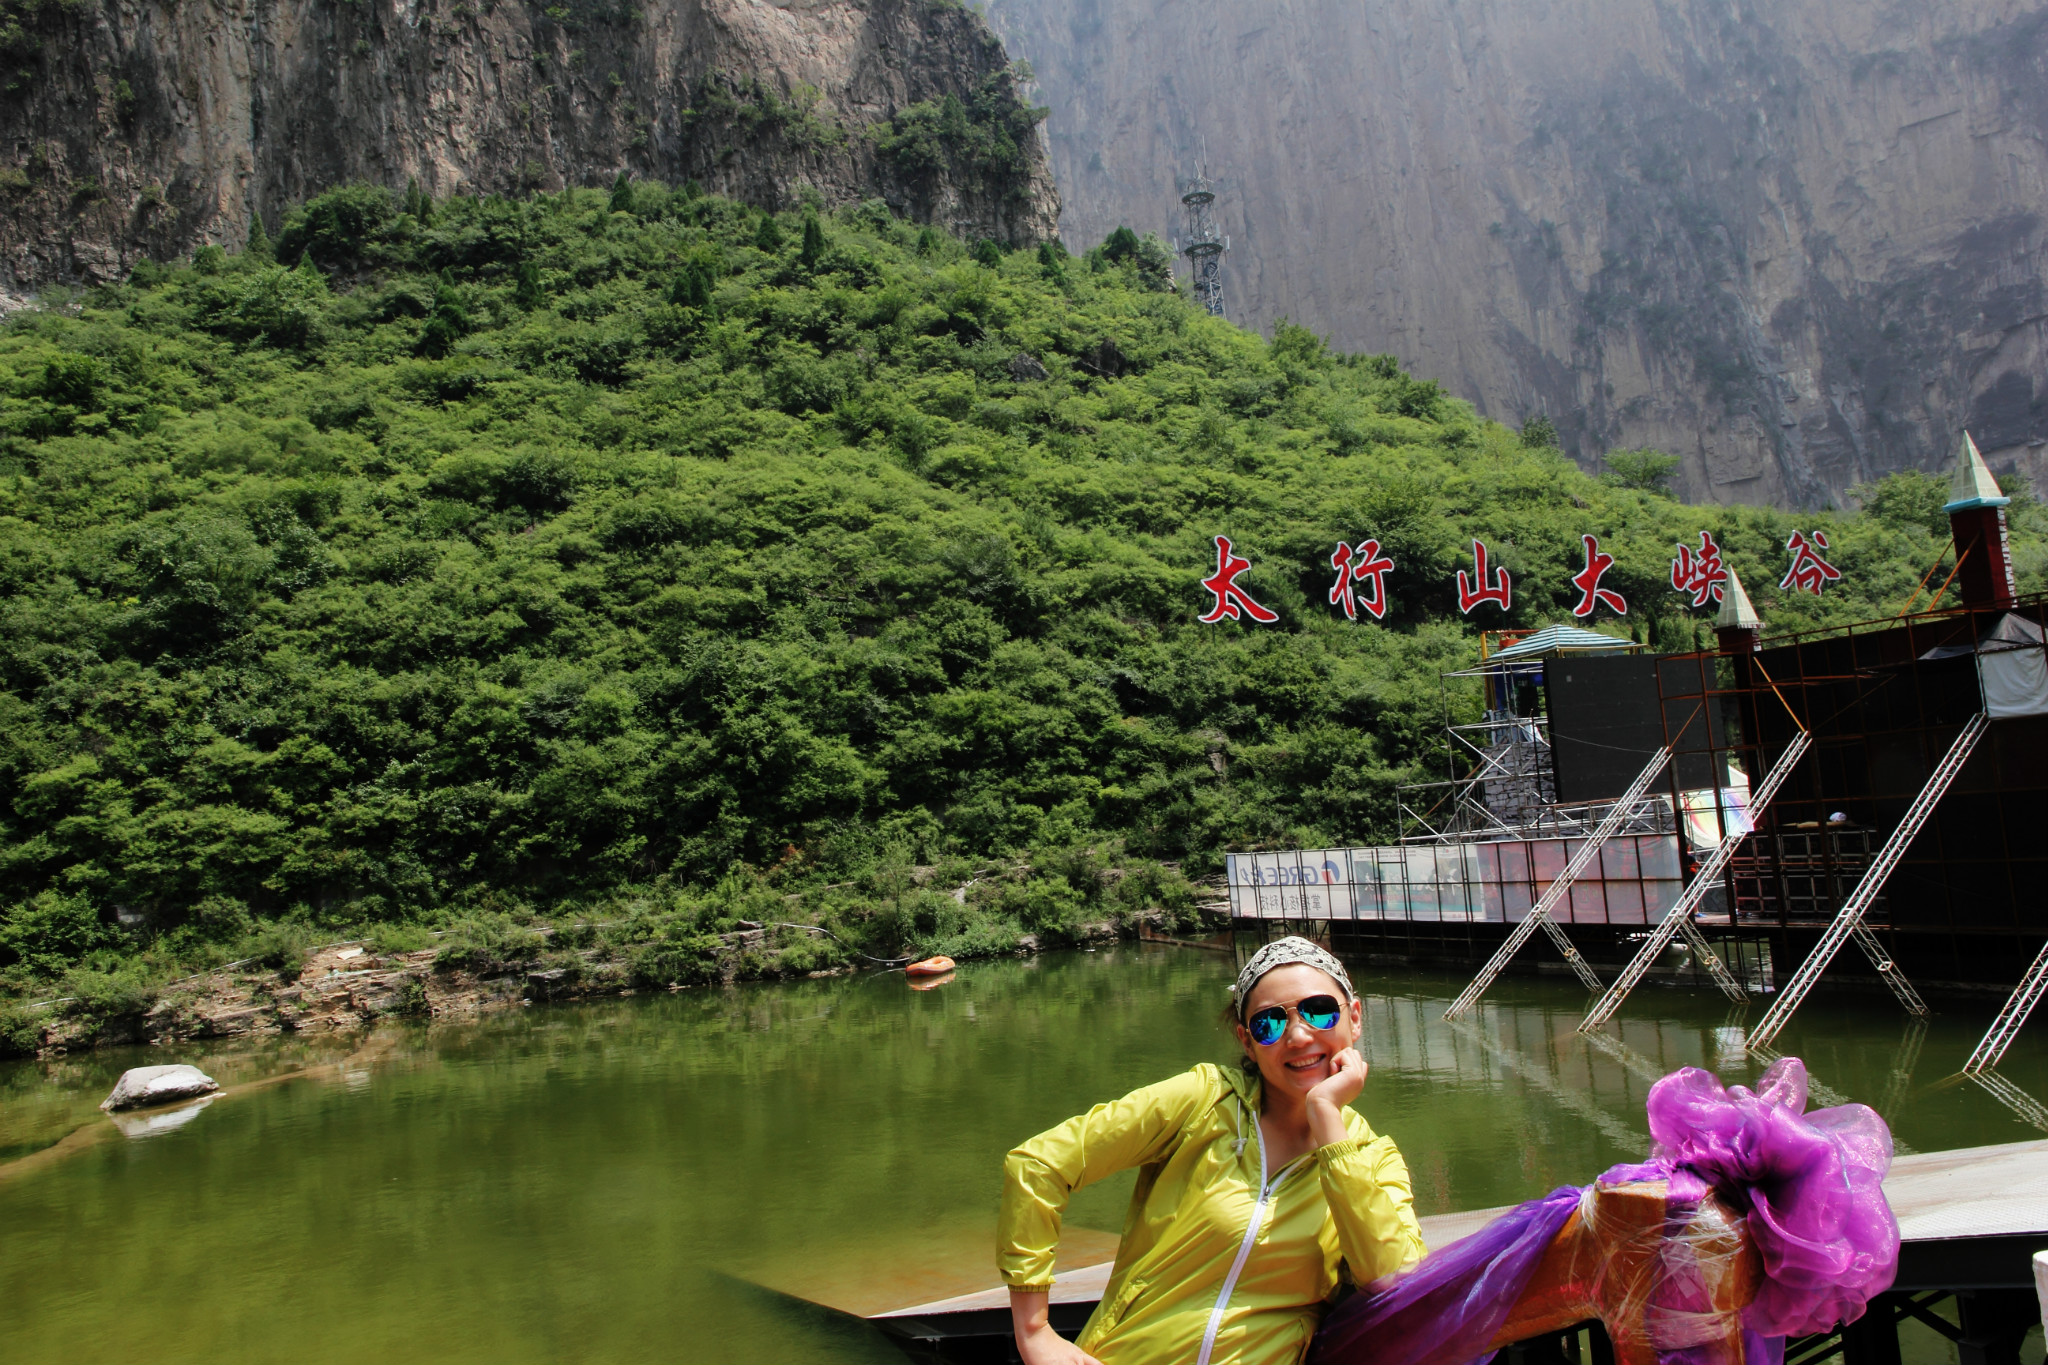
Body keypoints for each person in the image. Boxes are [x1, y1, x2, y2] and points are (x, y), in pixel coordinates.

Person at [998, 937, 1426, 1365]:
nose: (1297, 1035)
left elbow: (1393, 1277)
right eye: (1269, 1024)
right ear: (1247, 1041)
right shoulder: (1204, 1101)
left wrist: (1328, 1120)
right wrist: (1034, 1331)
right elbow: (1039, 1163)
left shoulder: (1370, 1156)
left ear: (1353, 1017)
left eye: (1319, 1010)